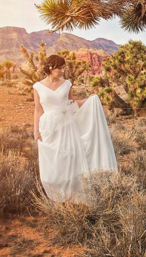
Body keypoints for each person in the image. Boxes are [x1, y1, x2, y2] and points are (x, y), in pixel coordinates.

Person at [33, 54, 117, 203]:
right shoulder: (38, 87)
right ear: (51, 67)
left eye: (64, 68)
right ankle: (57, 194)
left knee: (69, 157)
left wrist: (90, 101)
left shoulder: (67, 84)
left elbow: (71, 103)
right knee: (52, 161)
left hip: (66, 125)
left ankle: (71, 194)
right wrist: (36, 130)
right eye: (60, 68)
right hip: (47, 127)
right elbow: (38, 109)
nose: (63, 71)